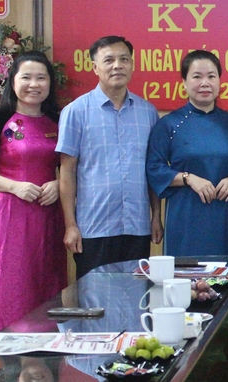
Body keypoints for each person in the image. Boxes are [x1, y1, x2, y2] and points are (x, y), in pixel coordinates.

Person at [0, 51, 68, 336]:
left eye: (41, 78)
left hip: (50, 215)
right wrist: (14, 186)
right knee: (15, 281)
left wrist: (58, 185)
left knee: (49, 281)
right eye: (26, 77)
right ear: (13, 82)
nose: (34, 84)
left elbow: (75, 167)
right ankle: (10, 350)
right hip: (11, 214)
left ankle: (49, 349)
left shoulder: (59, 120)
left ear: (50, 84)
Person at [56, 36, 162, 279]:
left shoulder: (148, 112)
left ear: (132, 65)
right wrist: (71, 225)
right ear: (95, 67)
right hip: (94, 228)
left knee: (136, 298)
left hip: (137, 226)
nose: (117, 65)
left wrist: (156, 217)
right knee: (96, 302)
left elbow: (153, 170)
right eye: (109, 60)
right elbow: (67, 171)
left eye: (124, 59)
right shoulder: (76, 112)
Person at [146, 50, 228, 255]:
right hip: (185, 217)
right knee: (185, 283)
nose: (205, 83)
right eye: (197, 76)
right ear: (184, 82)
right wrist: (188, 178)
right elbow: (154, 168)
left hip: (224, 218)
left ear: (220, 81)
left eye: (211, 76)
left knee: (225, 281)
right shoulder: (169, 124)